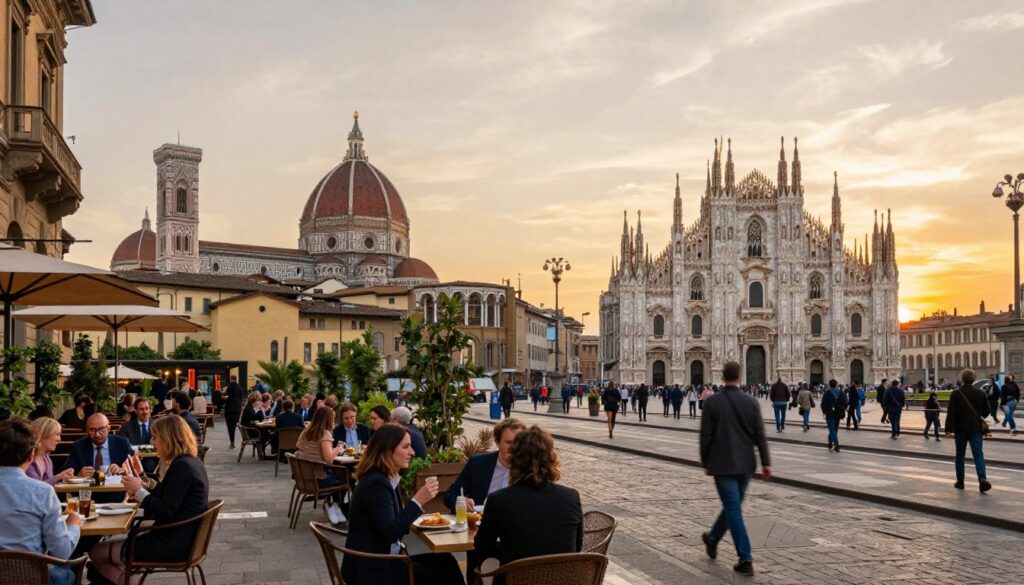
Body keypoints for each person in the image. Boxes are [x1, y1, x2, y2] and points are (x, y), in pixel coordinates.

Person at [90, 415, 210, 584]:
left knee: (97, 552)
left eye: (155, 437)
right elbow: (170, 496)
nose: (152, 442)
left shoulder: (182, 466)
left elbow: (165, 511)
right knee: (108, 551)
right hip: (183, 538)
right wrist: (146, 481)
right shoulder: (191, 462)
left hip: (172, 543)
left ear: (168, 439)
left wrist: (138, 491)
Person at [342, 424, 463, 585]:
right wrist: (417, 501)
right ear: (388, 450)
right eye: (406, 447)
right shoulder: (376, 483)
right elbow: (390, 532)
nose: (412, 452)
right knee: (442, 578)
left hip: (383, 559)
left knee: (446, 561)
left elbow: (393, 525)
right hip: (373, 568)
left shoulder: (386, 478)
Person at [474, 425, 583, 574]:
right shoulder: (571, 497)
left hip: (517, 579)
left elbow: (482, 547)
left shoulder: (499, 500)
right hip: (562, 579)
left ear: (514, 460)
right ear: (550, 459)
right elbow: (577, 547)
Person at [699, 361, 771, 577]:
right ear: (740, 377)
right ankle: (712, 539)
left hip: (722, 464)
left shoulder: (713, 403)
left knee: (733, 508)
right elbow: (760, 435)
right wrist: (766, 462)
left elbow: (705, 437)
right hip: (746, 465)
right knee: (733, 506)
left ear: (722, 377)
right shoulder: (751, 402)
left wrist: (705, 462)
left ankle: (745, 558)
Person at [0, 418, 82, 585]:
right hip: (31, 577)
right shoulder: (42, 492)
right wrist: (74, 525)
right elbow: (62, 552)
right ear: (31, 455)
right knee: (67, 571)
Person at [444, 418, 525, 512]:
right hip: (481, 523)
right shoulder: (478, 464)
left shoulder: (530, 469)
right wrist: (462, 503)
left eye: (519, 442)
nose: (514, 447)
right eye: (509, 442)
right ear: (497, 443)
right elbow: (450, 496)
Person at [297, 406, 347, 524]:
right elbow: (329, 459)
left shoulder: (306, 431)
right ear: (329, 419)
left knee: (338, 474)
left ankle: (335, 507)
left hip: (304, 477)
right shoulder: (325, 434)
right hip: (318, 478)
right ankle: (333, 506)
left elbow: (298, 445)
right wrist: (338, 448)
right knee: (346, 478)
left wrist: (311, 452)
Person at [945, 369, 991, 492]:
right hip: (976, 428)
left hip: (960, 429)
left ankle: (960, 481)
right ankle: (982, 479)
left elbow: (951, 413)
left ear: (962, 379)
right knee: (978, 455)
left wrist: (948, 429)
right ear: (974, 379)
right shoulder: (981, 393)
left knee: (960, 455)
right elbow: (986, 413)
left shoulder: (956, 393)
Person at [62, 413, 132, 478]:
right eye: (92, 430)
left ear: (108, 428)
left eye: (101, 430)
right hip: (88, 489)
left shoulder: (122, 443)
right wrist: (78, 474)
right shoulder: (78, 446)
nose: (97, 434)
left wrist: (123, 470)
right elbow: (65, 472)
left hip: (116, 488)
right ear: (87, 430)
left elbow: (135, 469)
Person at [27, 417, 75, 486]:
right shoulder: (29, 460)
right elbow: (35, 488)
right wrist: (58, 477)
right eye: (56, 434)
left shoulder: (46, 458)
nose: (59, 439)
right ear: (42, 435)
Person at [118, 397, 159, 474]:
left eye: (147, 409)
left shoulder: (158, 426)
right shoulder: (126, 427)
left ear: (151, 410)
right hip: (132, 462)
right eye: (141, 409)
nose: (145, 412)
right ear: (135, 410)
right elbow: (121, 446)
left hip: (154, 462)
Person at [820, 379, 848, 453]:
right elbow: (845, 402)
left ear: (829, 385)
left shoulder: (827, 393)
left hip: (829, 414)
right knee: (834, 430)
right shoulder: (841, 392)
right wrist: (843, 409)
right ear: (836, 384)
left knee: (832, 430)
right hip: (838, 413)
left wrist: (824, 412)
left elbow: (823, 404)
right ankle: (830, 443)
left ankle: (836, 445)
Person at [222, 375, 244, 449]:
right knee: (234, 426)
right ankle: (232, 440)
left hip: (229, 409)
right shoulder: (239, 387)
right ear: (236, 379)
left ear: (231, 379)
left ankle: (232, 442)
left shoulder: (229, 387)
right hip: (237, 409)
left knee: (229, 426)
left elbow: (226, 395)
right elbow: (241, 398)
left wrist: (224, 396)